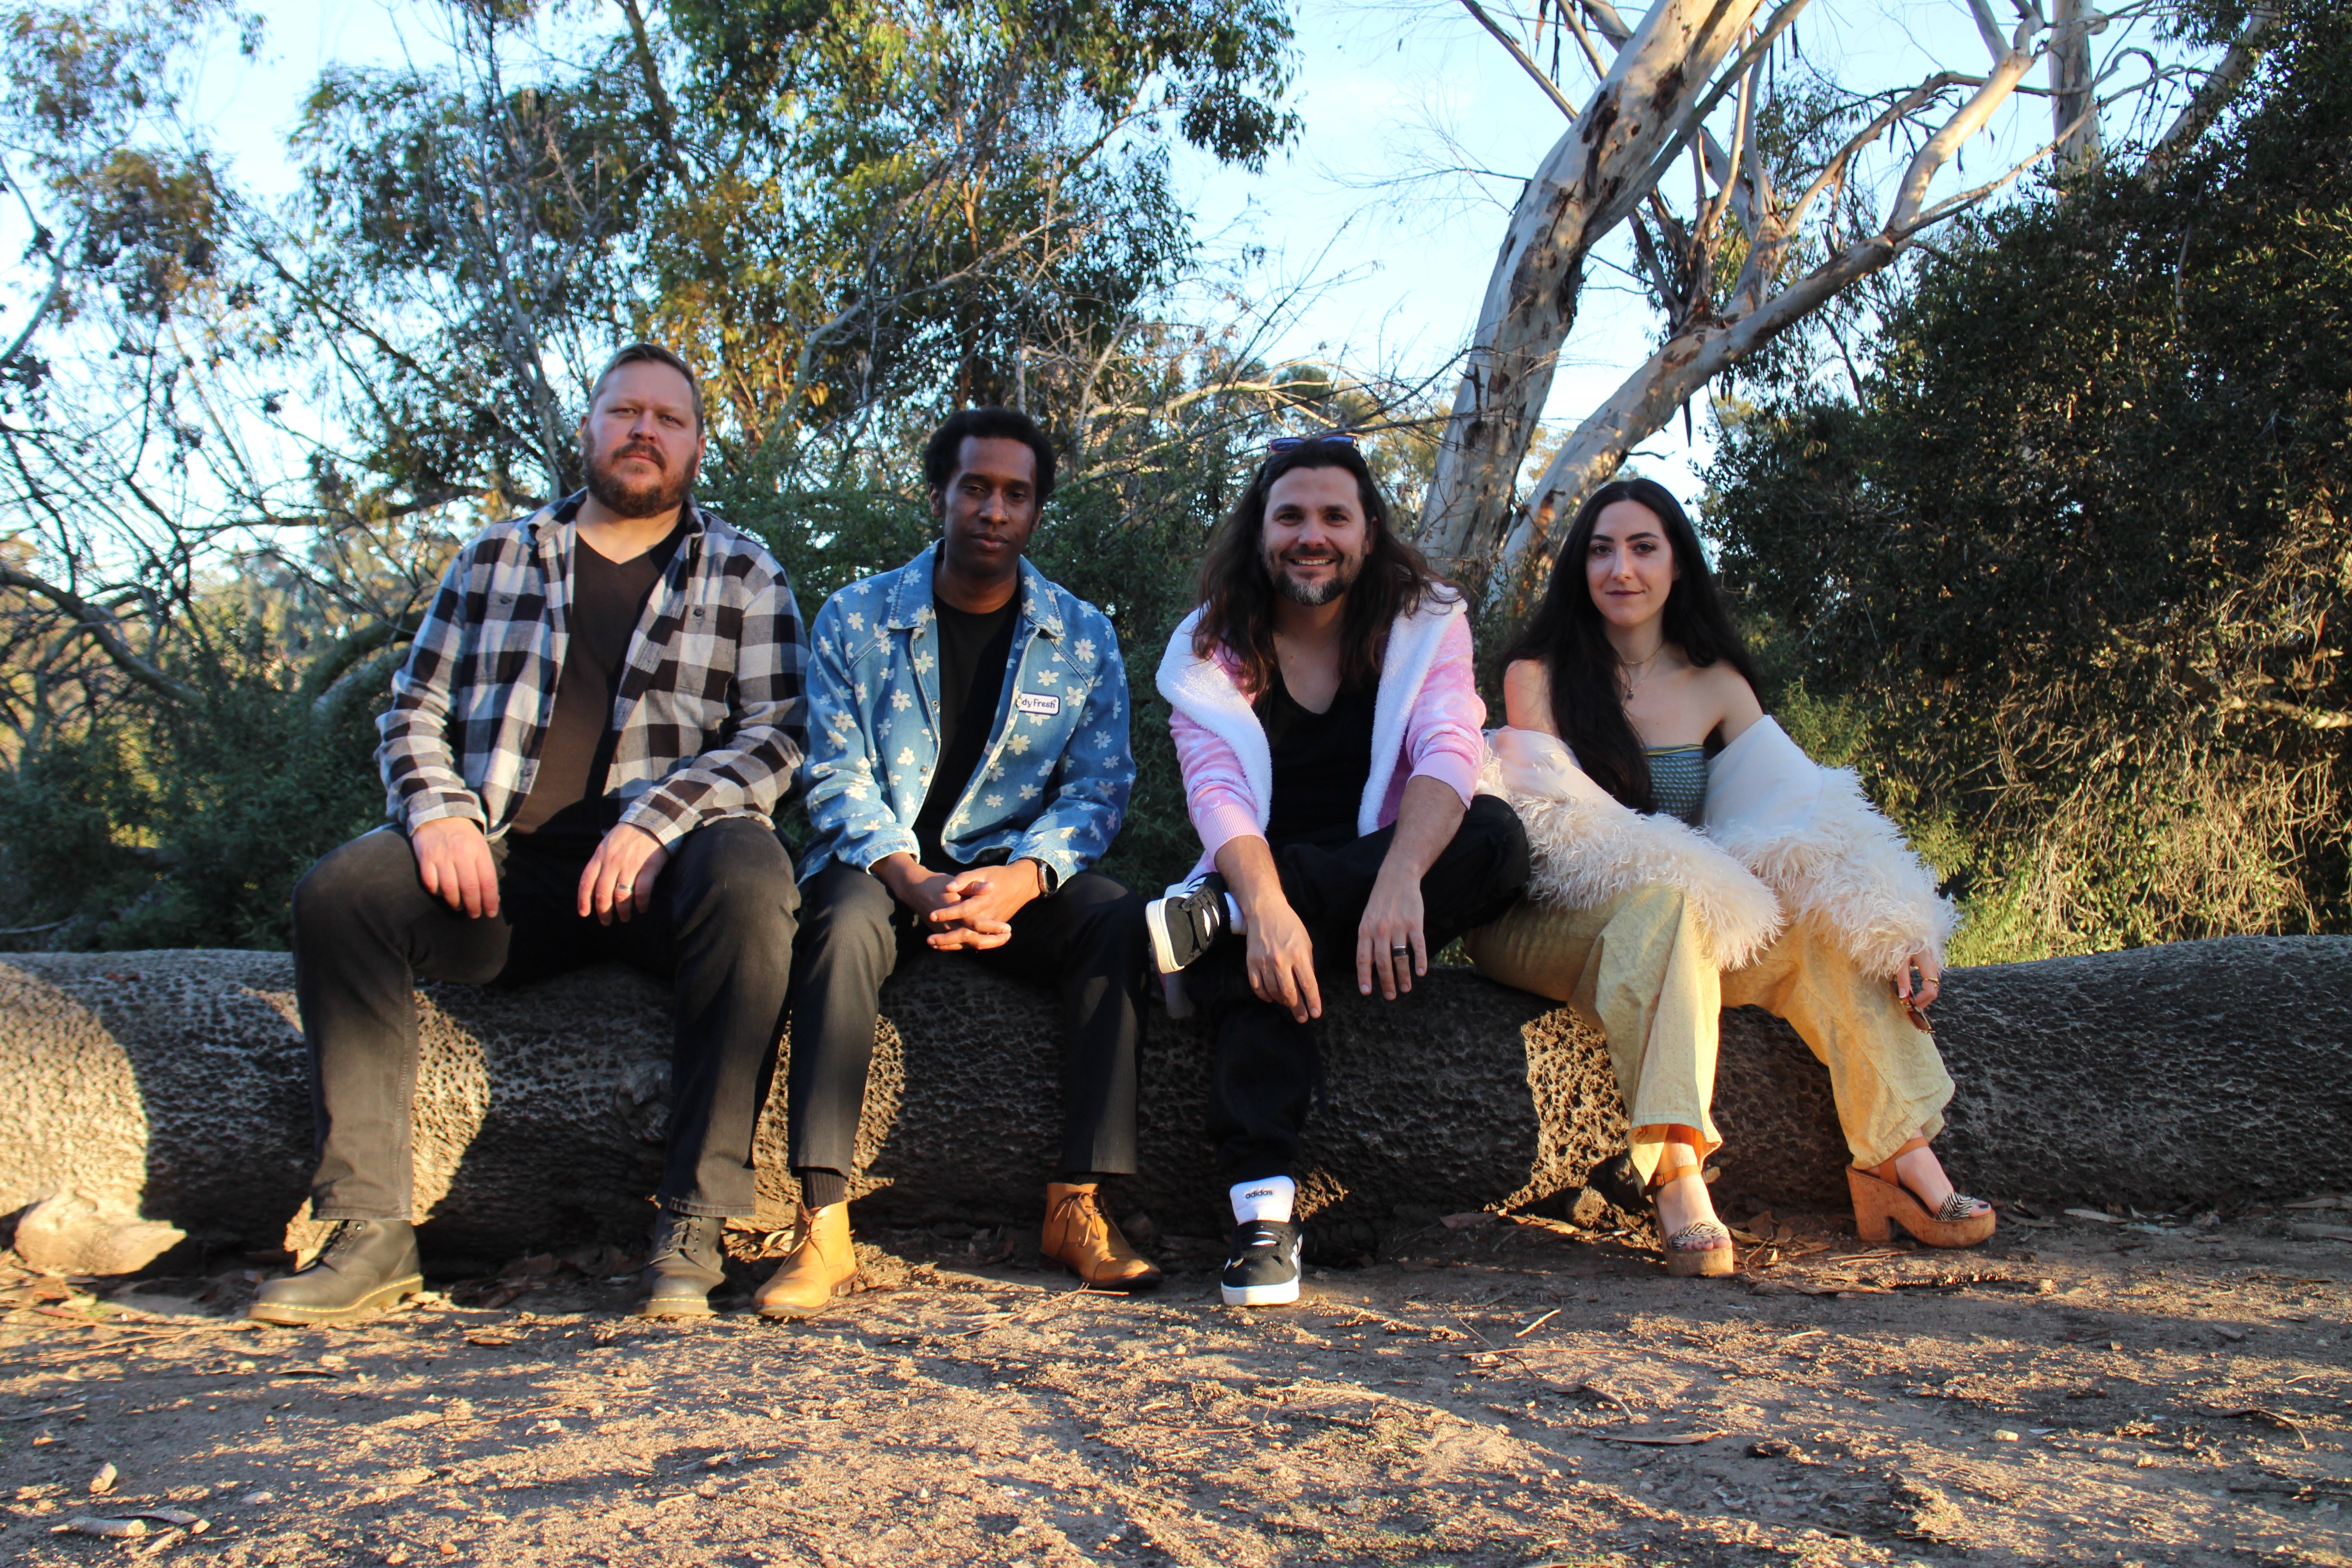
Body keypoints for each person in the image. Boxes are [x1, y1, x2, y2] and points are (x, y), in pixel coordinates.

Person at [254, 343, 808, 1325]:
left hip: (664, 882)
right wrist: (437, 812)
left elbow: (778, 737)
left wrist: (658, 822)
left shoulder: (745, 572)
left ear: (696, 445)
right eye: (624, 412)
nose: (644, 431)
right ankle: (369, 1228)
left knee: (754, 871)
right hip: (507, 875)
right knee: (340, 894)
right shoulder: (496, 558)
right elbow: (413, 706)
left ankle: (695, 1222)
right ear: (588, 428)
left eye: (667, 419)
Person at [1467, 476, 1994, 1274]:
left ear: (1678, 564)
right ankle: (1677, 1171)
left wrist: (1899, 923)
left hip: (1681, 928)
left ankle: (1896, 1155)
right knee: (1669, 906)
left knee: (1818, 931)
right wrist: (1699, 884)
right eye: (1602, 550)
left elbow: (1805, 815)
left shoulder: (1716, 683)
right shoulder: (1537, 676)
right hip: (1547, 920)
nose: (1622, 570)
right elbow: (1560, 839)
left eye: (1644, 548)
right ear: (1580, 568)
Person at [761, 407, 1156, 1317]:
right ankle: (822, 1220)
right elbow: (834, 775)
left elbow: (1097, 792)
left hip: (1011, 879)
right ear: (939, 495)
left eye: (1016, 495)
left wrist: (1021, 882)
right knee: (840, 922)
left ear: (1036, 514)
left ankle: (1078, 1205)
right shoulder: (857, 619)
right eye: (976, 488)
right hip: (883, 869)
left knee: (1112, 919)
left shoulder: (1082, 638)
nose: (993, 509)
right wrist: (911, 878)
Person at [1147, 433, 1531, 1308]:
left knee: (1499, 838)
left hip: (1386, 875)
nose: (1311, 534)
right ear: (1260, 532)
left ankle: (1222, 917)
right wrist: (1269, 906)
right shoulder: (1209, 650)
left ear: (1367, 533)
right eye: (1291, 516)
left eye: (1333, 516)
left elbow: (1449, 746)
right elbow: (1216, 794)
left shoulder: (1424, 622)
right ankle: (1265, 1217)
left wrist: (1399, 875)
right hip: (1258, 878)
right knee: (1266, 967)